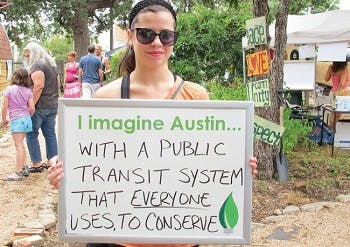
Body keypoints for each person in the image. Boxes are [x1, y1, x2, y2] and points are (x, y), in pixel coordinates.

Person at [48, 0, 258, 246]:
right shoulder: (107, 98)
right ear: (130, 36)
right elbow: (91, 165)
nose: (157, 42)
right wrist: (65, 174)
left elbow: (209, 164)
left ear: (174, 39)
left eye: (166, 35)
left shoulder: (196, 96)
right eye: (146, 34)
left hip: (182, 236)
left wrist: (238, 167)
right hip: (119, 237)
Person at [24, 41, 60, 173]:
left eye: (27, 55)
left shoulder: (37, 65)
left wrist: (31, 104)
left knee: (31, 133)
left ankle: (37, 163)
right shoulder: (51, 64)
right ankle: (52, 161)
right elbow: (58, 83)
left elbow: (38, 85)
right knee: (49, 133)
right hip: (52, 104)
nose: (26, 58)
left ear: (33, 53)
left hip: (40, 106)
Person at [1, 68, 35, 181]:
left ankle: (18, 172)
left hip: (17, 120)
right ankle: (24, 166)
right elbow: (32, 108)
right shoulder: (28, 91)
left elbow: (5, 106)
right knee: (21, 144)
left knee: (18, 146)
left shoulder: (9, 89)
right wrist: (26, 115)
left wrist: (4, 119)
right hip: (26, 119)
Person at [324, 61, 349, 126]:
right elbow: (343, 85)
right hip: (340, 94)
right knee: (336, 116)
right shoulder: (344, 69)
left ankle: (331, 132)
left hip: (332, 93)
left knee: (333, 114)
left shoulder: (331, 67)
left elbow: (326, 78)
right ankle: (332, 133)